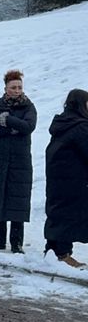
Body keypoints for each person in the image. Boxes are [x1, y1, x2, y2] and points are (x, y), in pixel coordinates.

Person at [0, 70, 37, 254]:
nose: (17, 90)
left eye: (20, 87)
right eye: (13, 87)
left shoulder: (29, 106)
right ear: (5, 88)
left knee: (17, 200)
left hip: (20, 161)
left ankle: (16, 242)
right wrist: (10, 129)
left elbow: (28, 127)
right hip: (0, 159)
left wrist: (8, 120)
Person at [44, 88, 88, 268]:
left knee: (60, 213)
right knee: (69, 215)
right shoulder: (81, 126)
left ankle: (53, 251)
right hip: (73, 180)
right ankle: (61, 254)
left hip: (59, 179)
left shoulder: (63, 123)